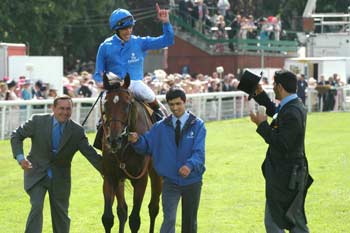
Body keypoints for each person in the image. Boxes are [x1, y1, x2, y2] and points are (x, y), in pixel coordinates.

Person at [10, 95, 102, 233]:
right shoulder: (37, 121)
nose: (65, 112)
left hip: (61, 179)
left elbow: (91, 155)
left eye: (68, 109)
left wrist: (110, 170)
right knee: (36, 206)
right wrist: (20, 158)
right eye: (61, 108)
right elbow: (16, 135)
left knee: (61, 215)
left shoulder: (77, 131)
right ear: (53, 108)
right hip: (36, 174)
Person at [128, 87, 206, 233]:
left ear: (185, 102)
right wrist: (136, 141)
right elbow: (147, 145)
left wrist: (189, 166)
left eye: (178, 104)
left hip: (192, 181)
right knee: (169, 219)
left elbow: (199, 153)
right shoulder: (160, 127)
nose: (175, 108)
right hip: (170, 182)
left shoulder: (198, 125)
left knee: (189, 223)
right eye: (171, 105)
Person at [249, 70, 313, 233]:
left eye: (274, 85)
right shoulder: (292, 106)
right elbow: (276, 113)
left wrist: (262, 125)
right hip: (288, 175)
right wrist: (260, 94)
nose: (273, 88)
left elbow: (282, 143)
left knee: (280, 222)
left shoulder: (292, 111)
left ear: (280, 86)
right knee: (291, 221)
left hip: (286, 177)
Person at [94, 3, 174, 117]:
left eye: (130, 27)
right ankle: (101, 130)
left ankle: (163, 119)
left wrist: (166, 23)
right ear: (116, 29)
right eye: (124, 28)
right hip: (113, 88)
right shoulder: (105, 46)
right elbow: (98, 73)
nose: (128, 31)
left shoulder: (140, 42)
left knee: (148, 94)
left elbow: (167, 41)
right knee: (102, 105)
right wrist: (102, 83)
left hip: (135, 84)